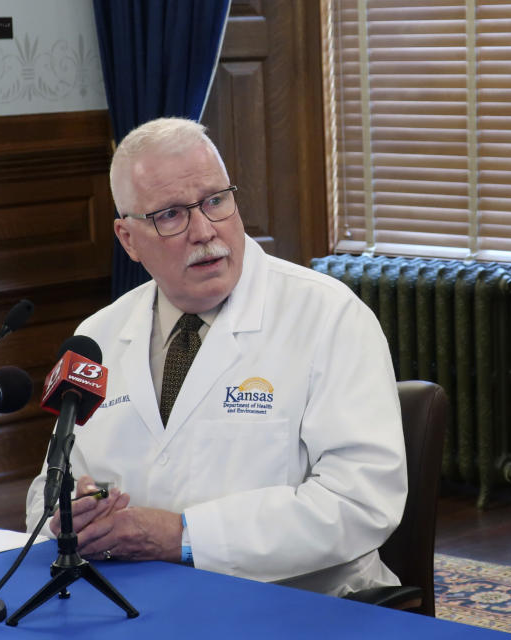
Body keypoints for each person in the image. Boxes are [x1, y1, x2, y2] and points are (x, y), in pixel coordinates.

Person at [25, 117, 408, 596]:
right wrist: (70, 513)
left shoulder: (329, 317)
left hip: (300, 605)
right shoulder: (97, 336)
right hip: (134, 599)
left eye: (215, 201)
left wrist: (184, 537)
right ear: (128, 240)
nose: (205, 230)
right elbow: (47, 488)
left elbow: (362, 503)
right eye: (170, 214)